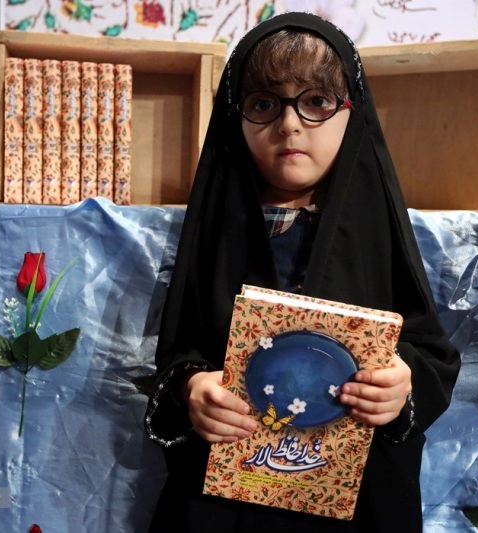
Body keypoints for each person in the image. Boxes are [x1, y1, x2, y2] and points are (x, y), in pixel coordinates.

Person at [143, 12, 460, 532]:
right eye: (263, 104)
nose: (289, 124)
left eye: (316, 101)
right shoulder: (217, 229)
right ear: (235, 117)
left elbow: (430, 352)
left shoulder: (376, 230)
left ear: (352, 111)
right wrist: (192, 388)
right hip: (228, 503)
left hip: (354, 504)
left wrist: (401, 383)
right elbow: (180, 349)